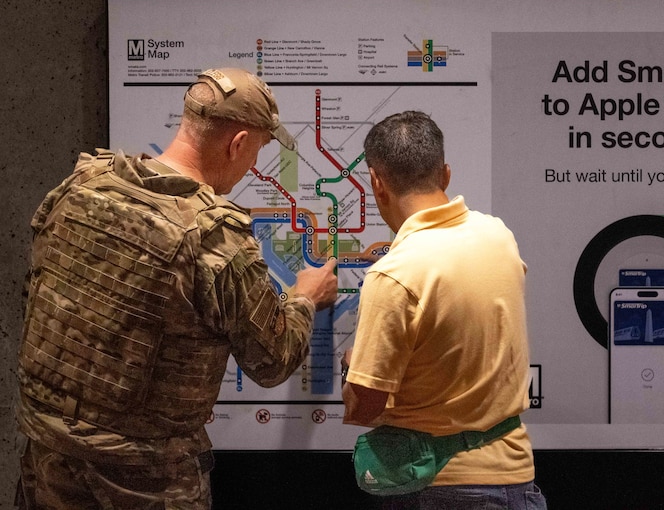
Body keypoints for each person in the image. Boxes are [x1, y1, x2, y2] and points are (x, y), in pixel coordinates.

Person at [15, 67, 338, 509]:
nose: (255, 165)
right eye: (258, 149)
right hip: (145, 479)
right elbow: (271, 361)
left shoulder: (79, 189)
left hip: (48, 457)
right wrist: (305, 298)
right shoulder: (214, 240)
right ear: (238, 142)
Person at [341, 111, 547, 509]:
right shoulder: (498, 236)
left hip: (437, 489)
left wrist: (352, 367)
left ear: (376, 183)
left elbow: (365, 408)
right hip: (516, 480)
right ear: (446, 174)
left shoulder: (395, 275)